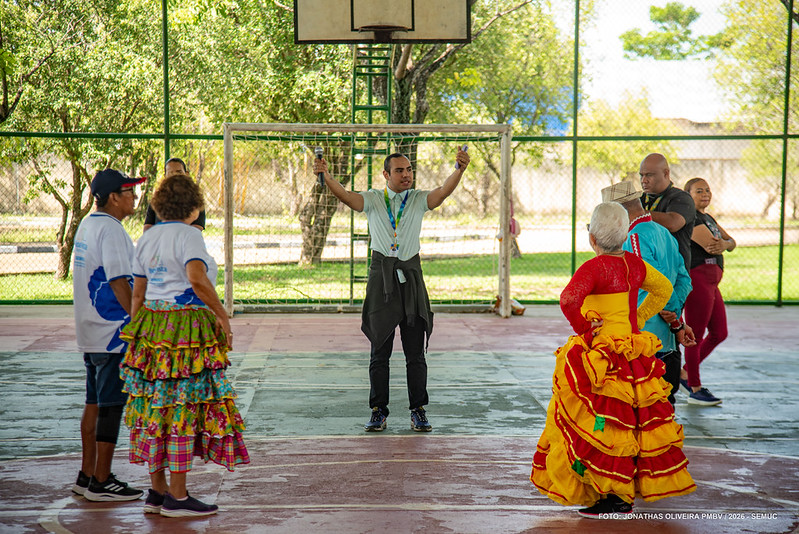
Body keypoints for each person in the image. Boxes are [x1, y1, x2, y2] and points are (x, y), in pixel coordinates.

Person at [530, 202, 696, 518]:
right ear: (624, 235)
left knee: (602, 422)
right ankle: (620, 489)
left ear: (591, 238)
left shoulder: (593, 269)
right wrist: (639, 317)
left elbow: (568, 299)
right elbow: (662, 288)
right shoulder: (634, 265)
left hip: (601, 354)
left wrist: (586, 330)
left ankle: (613, 494)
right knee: (629, 423)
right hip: (632, 351)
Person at [313, 148, 470, 433]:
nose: (406, 174)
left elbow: (443, 191)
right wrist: (326, 175)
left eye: (409, 169)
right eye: (399, 170)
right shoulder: (374, 199)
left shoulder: (419, 198)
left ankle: (418, 409)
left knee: (415, 353)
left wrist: (458, 169)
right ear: (386, 174)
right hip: (381, 278)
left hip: (411, 278)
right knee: (379, 351)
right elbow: (347, 197)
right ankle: (378, 410)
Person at [120, 173, 249, 517]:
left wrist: (137, 332)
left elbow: (138, 292)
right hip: (184, 331)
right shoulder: (190, 235)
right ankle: (178, 497)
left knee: (155, 408)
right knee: (182, 407)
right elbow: (195, 276)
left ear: (159, 206)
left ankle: (158, 492)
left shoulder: (146, 238)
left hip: (151, 326)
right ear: (193, 208)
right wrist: (221, 314)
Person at [71, 169, 146, 502]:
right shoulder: (112, 230)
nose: (134, 197)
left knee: (93, 402)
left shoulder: (87, 225)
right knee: (111, 406)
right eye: (129, 191)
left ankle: (86, 474)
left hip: (90, 331)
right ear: (113, 197)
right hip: (112, 333)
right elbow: (118, 281)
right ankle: (102, 481)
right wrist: (140, 322)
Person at [601, 181, 696, 406]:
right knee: (665, 405)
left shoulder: (633, 237)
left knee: (639, 406)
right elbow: (684, 280)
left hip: (645, 337)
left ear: (618, 214)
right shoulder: (664, 233)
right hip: (667, 340)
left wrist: (673, 318)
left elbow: (657, 285)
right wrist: (675, 318)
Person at [680, 177, 736, 406]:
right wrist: (724, 244)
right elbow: (713, 244)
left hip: (713, 282)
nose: (705, 194)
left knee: (719, 332)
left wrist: (726, 243)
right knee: (695, 334)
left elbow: (731, 242)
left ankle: (683, 373)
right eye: (699, 190)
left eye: (707, 190)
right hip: (698, 280)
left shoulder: (708, 217)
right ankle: (694, 387)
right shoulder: (690, 219)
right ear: (688, 195)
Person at [639, 153, 696, 270]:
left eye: (649, 175)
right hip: (645, 271)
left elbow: (673, 223)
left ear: (666, 173)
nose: (644, 180)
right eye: (641, 175)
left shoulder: (681, 197)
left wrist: (637, 214)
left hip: (673, 272)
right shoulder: (638, 200)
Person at [142, 158, 205, 232]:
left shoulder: (195, 198)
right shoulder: (157, 199)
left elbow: (197, 228)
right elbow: (147, 227)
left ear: (186, 174)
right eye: (170, 173)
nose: (175, 176)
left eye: (179, 172)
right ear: (165, 176)